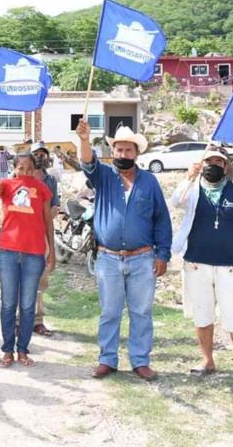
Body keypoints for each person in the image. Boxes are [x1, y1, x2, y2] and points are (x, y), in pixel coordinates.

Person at [76, 120, 172, 381]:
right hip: (107, 258)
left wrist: (163, 254)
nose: (123, 155)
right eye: (118, 150)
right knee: (110, 311)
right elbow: (87, 162)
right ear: (113, 152)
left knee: (142, 312)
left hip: (142, 258)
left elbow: (162, 219)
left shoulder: (149, 182)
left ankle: (140, 360)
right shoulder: (104, 176)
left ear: (136, 153)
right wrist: (84, 140)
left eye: (128, 151)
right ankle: (107, 358)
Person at [170, 145, 233, 390]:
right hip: (196, 264)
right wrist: (188, 177)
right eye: (209, 161)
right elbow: (176, 202)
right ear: (202, 164)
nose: (213, 165)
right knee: (202, 314)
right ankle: (207, 361)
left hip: (230, 267)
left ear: (227, 166)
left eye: (219, 162)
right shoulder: (192, 190)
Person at [0, 152, 56, 367]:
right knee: (8, 304)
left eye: (28, 168)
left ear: (34, 169)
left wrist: (51, 251)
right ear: (14, 168)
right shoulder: (6, 185)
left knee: (26, 305)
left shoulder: (42, 189)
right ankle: (7, 350)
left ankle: (23, 349)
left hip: (34, 254)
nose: (24, 171)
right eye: (20, 167)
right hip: (9, 252)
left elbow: (48, 222)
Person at [30, 143, 62, 337]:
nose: (40, 156)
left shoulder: (51, 180)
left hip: (43, 234)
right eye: (36, 153)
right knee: (20, 279)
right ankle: (18, 320)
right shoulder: (21, 176)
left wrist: (48, 215)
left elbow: (55, 207)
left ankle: (37, 321)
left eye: (43, 153)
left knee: (41, 280)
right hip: (23, 234)